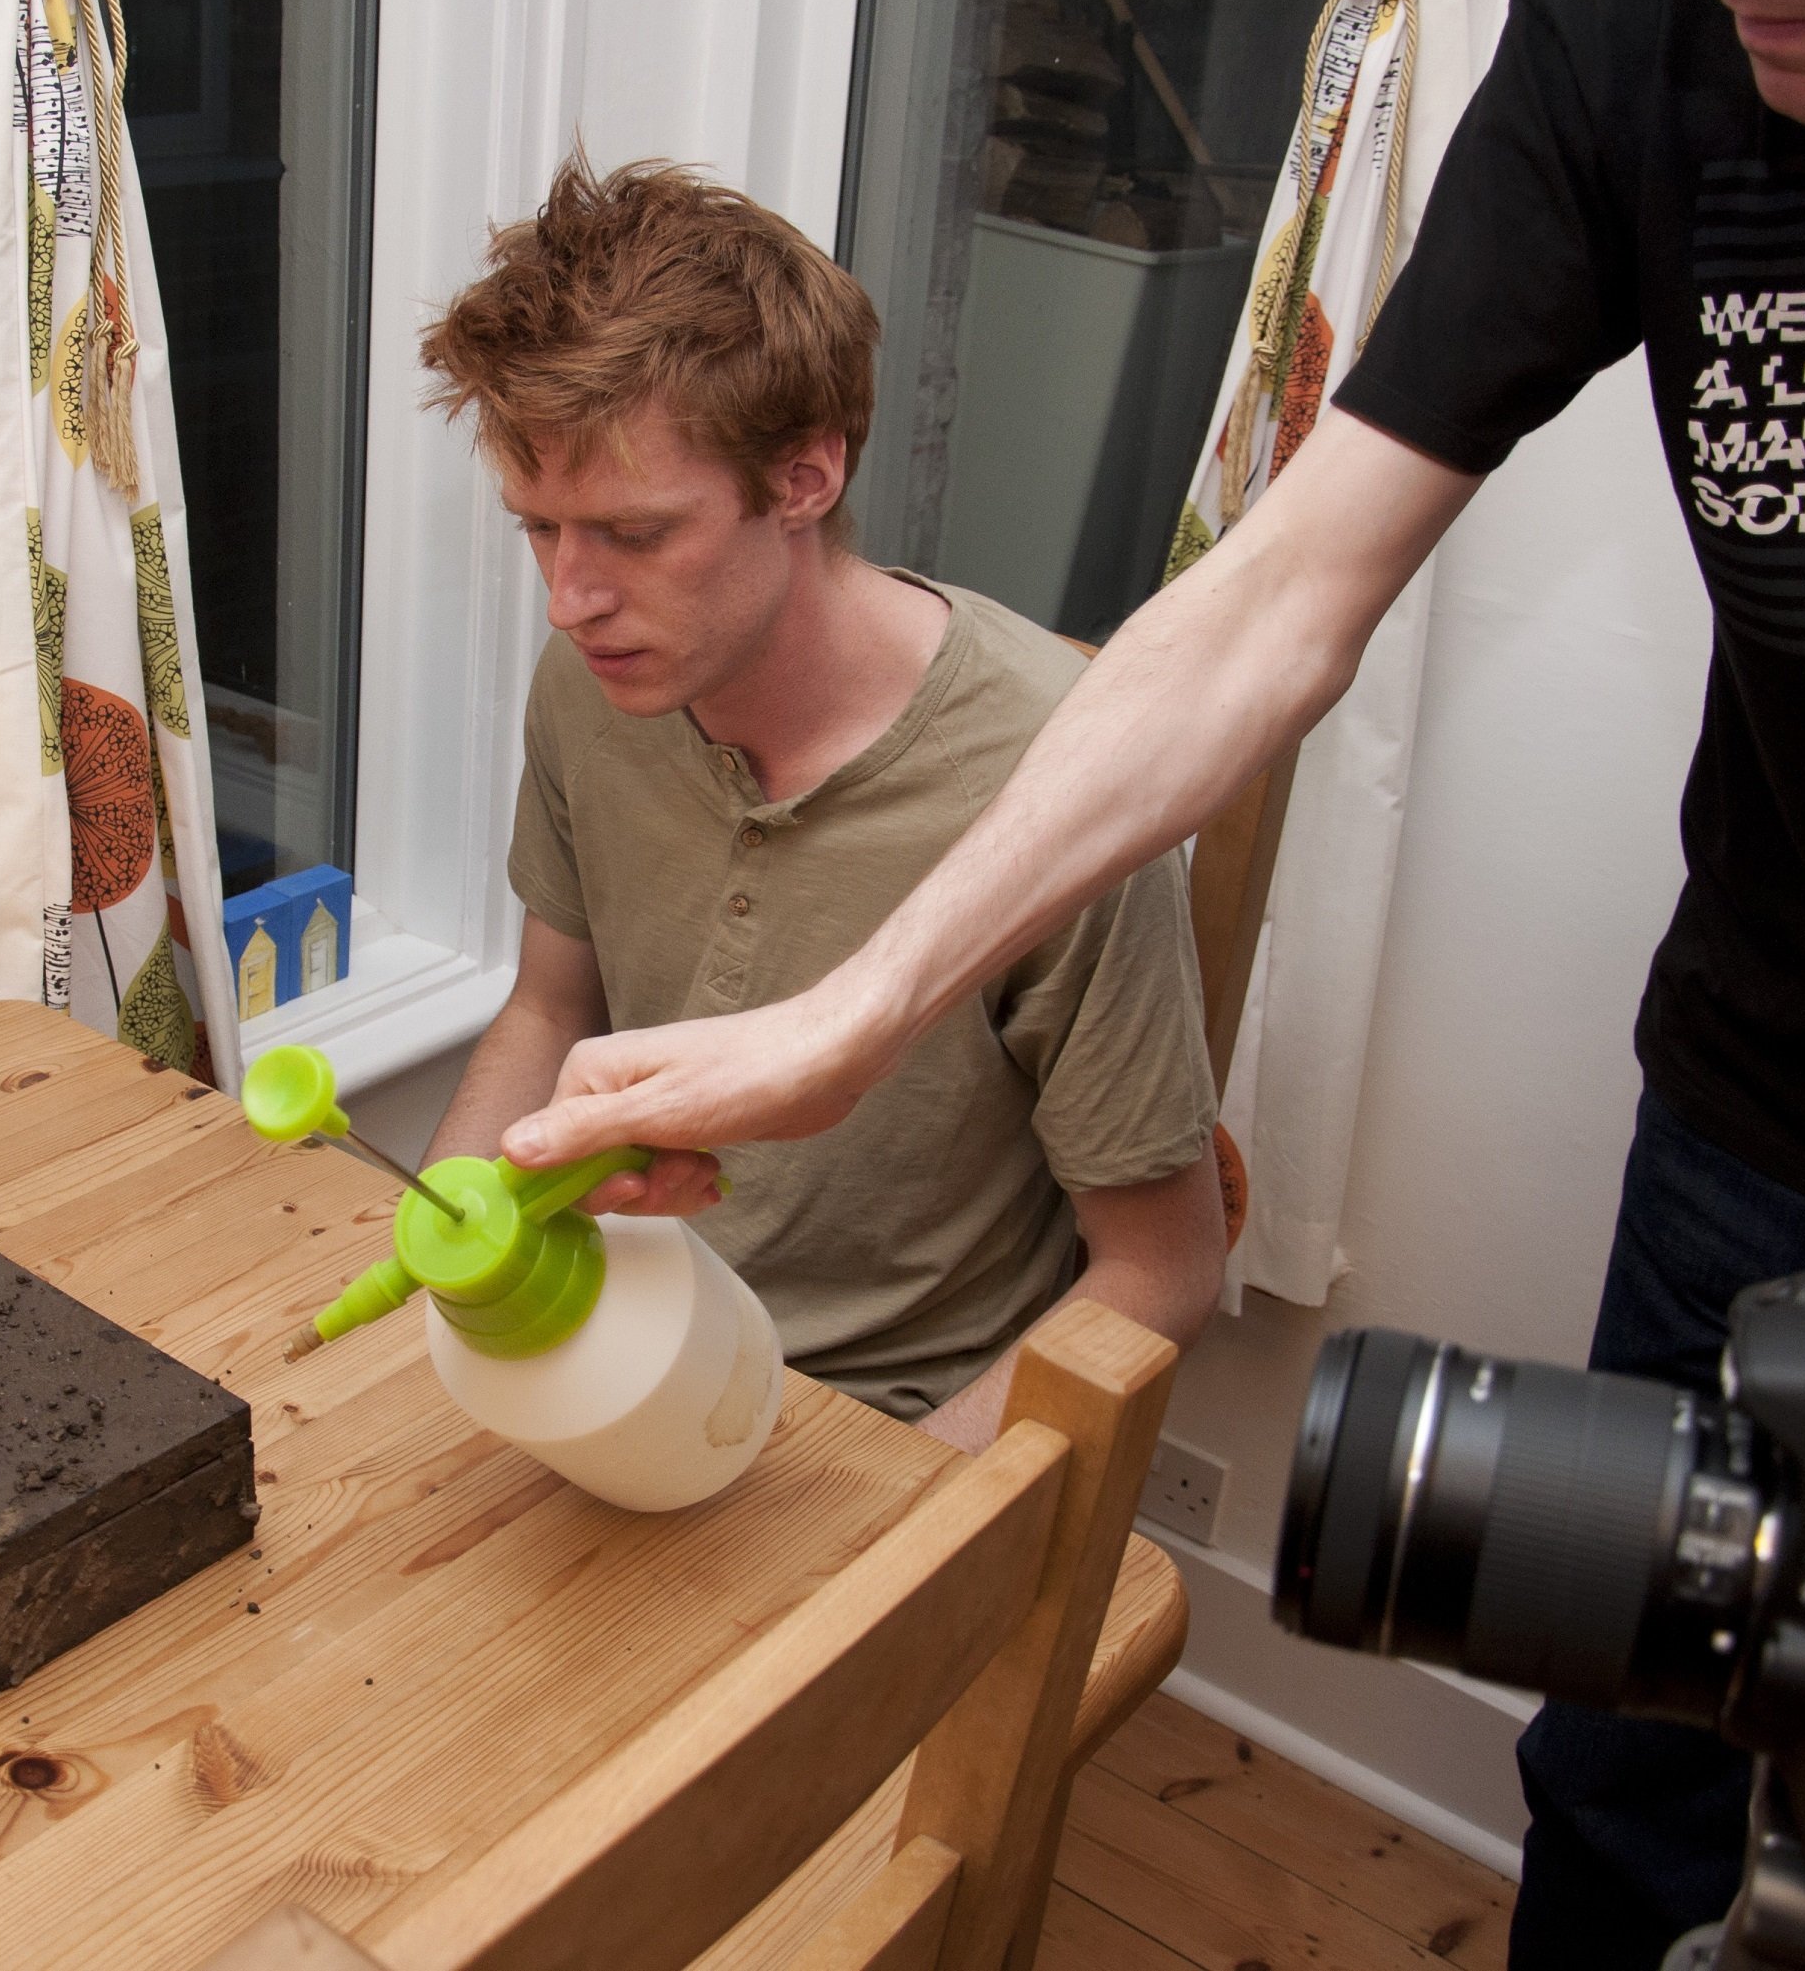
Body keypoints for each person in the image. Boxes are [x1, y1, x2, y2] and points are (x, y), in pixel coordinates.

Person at [491, 0, 1805, 1963]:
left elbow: (1150, 1267)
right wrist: (855, 1018)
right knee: (1634, 1761)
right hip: (1775, 1109)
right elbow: (1292, 580)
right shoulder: (1649, 21)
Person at [411, 159, 1227, 1449]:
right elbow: (551, 1008)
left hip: (887, 1432)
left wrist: (907, 1520)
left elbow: (1163, 1271)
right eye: (538, 529)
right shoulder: (595, 685)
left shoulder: (1062, 785)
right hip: (613, 1346)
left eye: (631, 534)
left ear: (803, 479)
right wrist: (445, 1253)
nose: (569, 600)